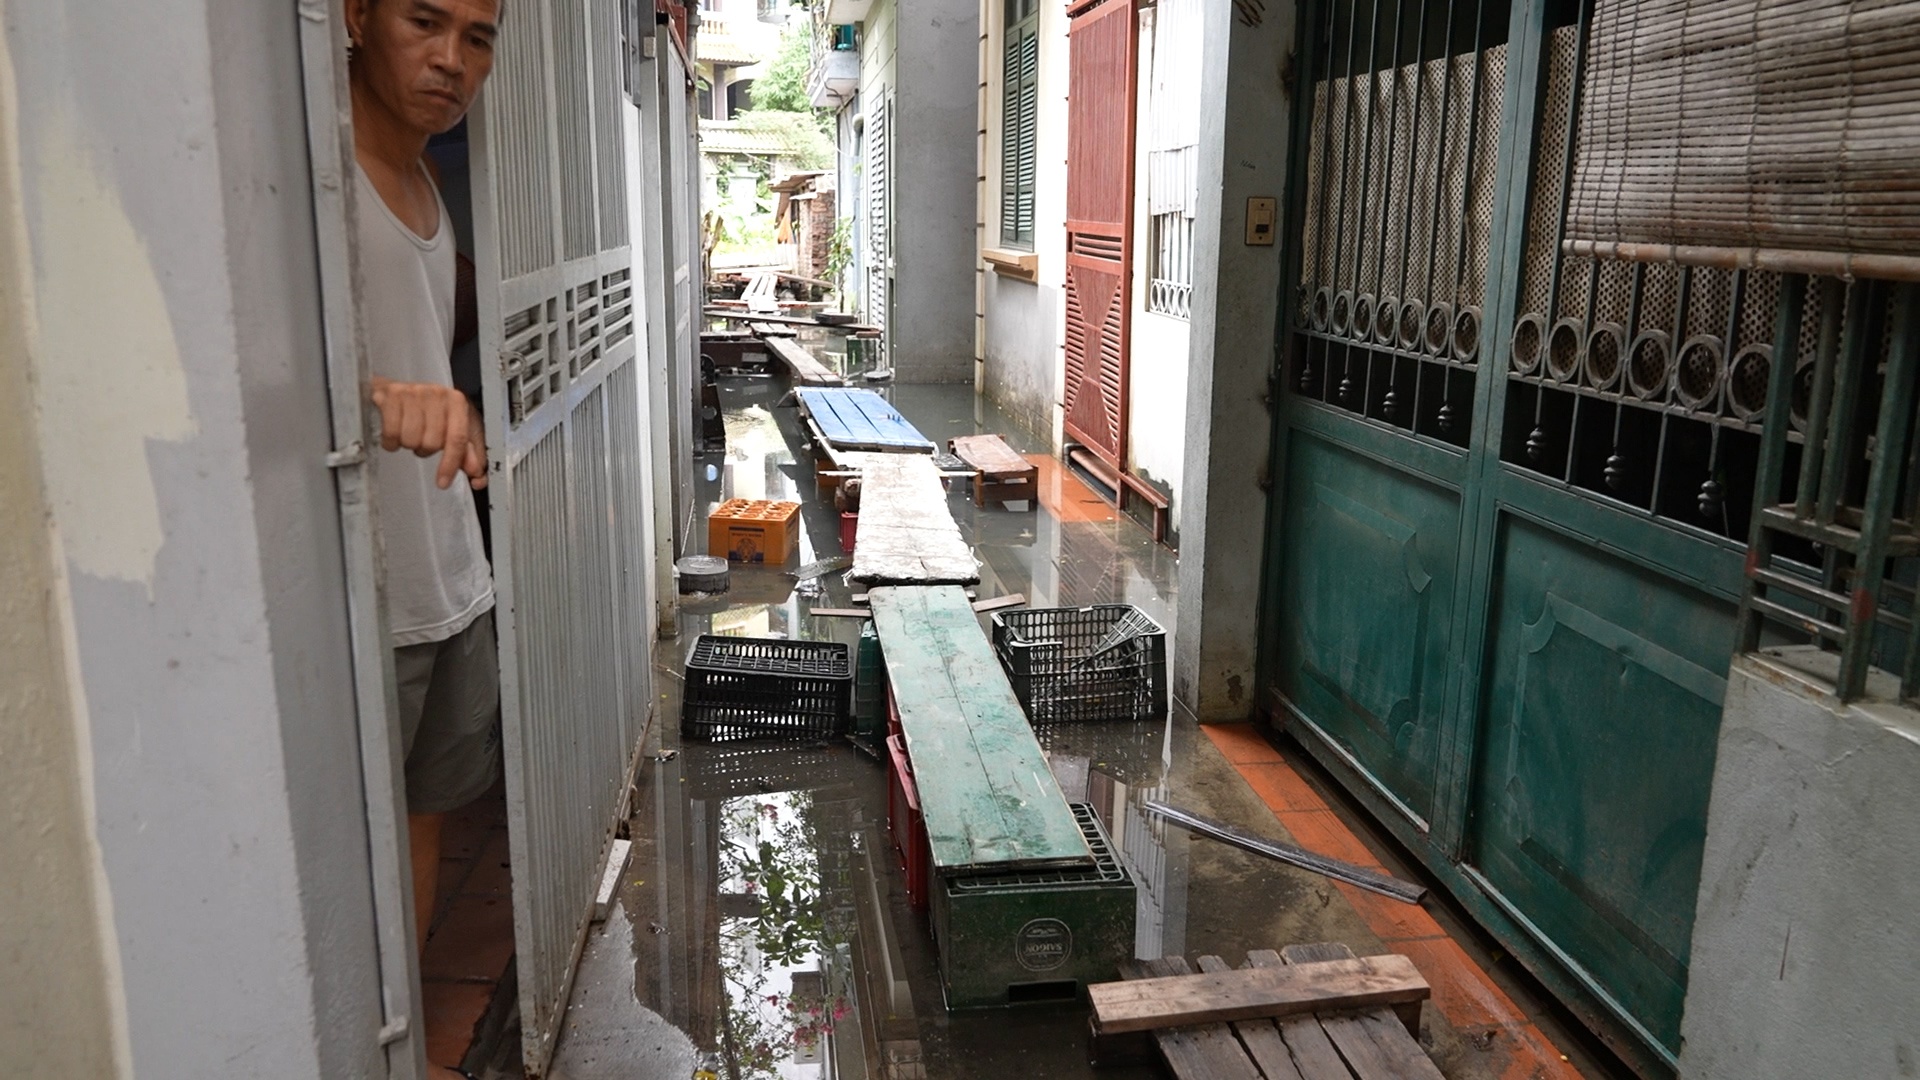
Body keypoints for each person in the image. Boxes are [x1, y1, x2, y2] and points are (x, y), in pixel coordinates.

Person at [346, 1, 501, 1075]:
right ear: (358, 18)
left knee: (429, 816)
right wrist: (376, 401)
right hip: (368, 591)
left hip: (452, 567)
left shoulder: (429, 185)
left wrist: (451, 406)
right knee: (343, 856)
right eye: (424, 21)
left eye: (479, 38)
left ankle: (396, 1036)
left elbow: (423, 361)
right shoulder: (317, 183)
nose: (451, 59)